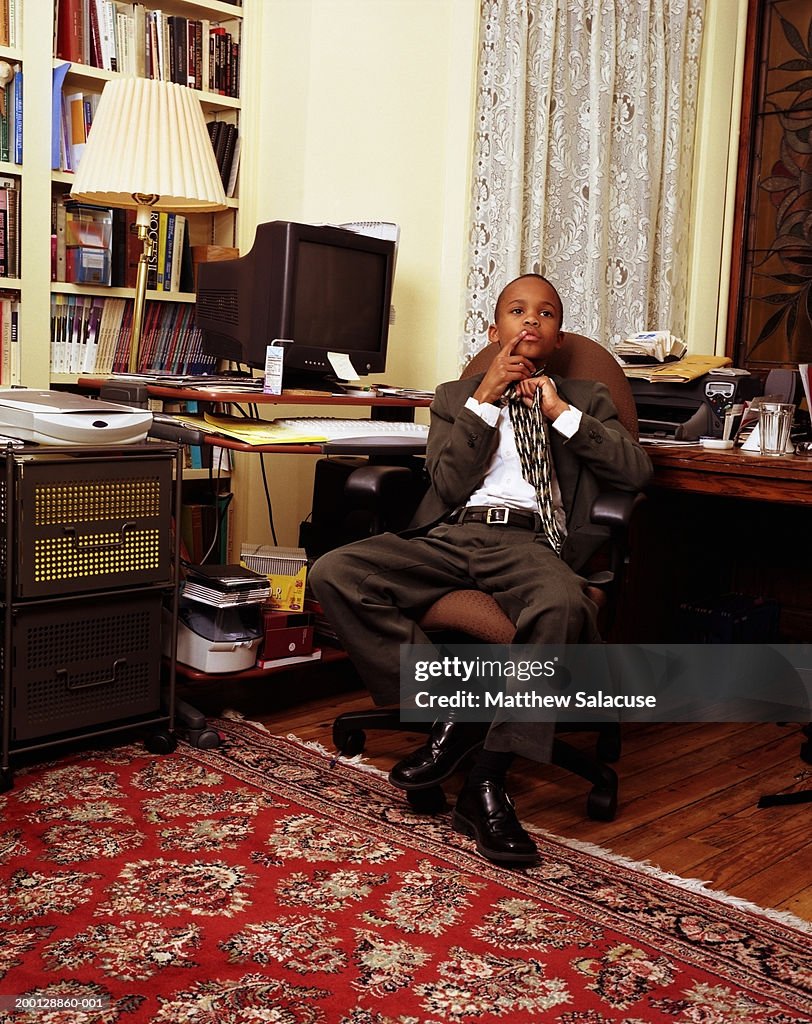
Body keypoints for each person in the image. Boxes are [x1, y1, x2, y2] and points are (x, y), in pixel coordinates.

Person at [309, 274, 652, 865]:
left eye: (544, 314)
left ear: (557, 335)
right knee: (338, 571)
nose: (530, 321)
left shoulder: (587, 398)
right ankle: (449, 710)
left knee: (563, 605)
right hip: (451, 531)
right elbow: (444, 483)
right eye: (517, 311)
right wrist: (482, 402)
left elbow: (637, 474)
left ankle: (486, 778)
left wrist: (562, 413)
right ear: (494, 332)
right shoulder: (453, 396)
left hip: (529, 539)